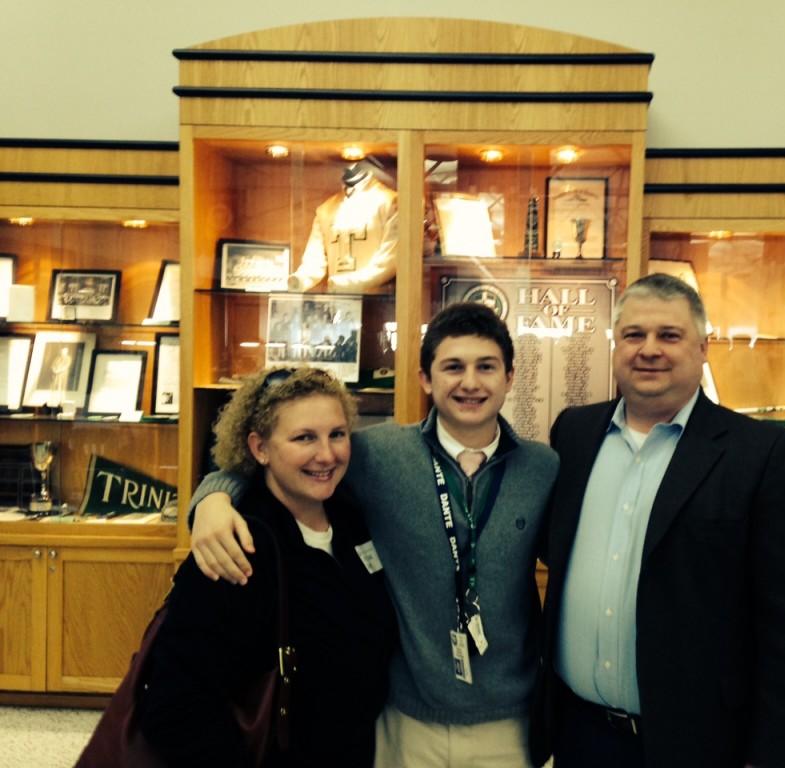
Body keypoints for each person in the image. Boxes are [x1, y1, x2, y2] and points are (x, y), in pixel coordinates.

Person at [188, 302, 559, 768]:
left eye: (486, 367)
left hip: (509, 721)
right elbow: (282, 459)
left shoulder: (543, 468)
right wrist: (212, 499)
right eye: (452, 367)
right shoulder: (377, 455)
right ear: (425, 379)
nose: (470, 382)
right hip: (404, 717)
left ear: (509, 377)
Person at [529, 273, 785, 768]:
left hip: (697, 740)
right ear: (615, 344)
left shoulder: (763, 455)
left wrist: (775, 753)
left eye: (669, 335)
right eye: (634, 335)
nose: (649, 350)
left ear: (703, 347)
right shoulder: (575, 433)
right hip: (579, 732)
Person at [134, 367, 396, 765]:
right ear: (259, 448)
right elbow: (175, 707)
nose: (326, 454)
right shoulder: (235, 546)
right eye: (304, 437)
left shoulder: (352, 521)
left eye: (337, 434)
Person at [288, 163, 399, 293]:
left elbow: (390, 259)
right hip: (338, 299)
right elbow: (314, 258)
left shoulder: (390, 201)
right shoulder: (326, 209)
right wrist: (301, 279)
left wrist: (348, 283)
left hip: (377, 297)